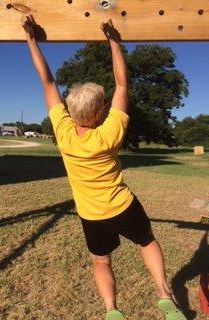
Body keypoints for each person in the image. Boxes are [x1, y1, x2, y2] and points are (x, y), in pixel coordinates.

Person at [21, 15, 187, 320]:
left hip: (91, 216)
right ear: (99, 114)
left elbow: (46, 80)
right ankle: (164, 295)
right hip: (123, 207)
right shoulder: (110, 134)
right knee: (147, 242)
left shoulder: (63, 131)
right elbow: (123, 83)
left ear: (70, 111)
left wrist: (30, 39)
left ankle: (112, 311)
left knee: (101, 263)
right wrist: (113, 41)